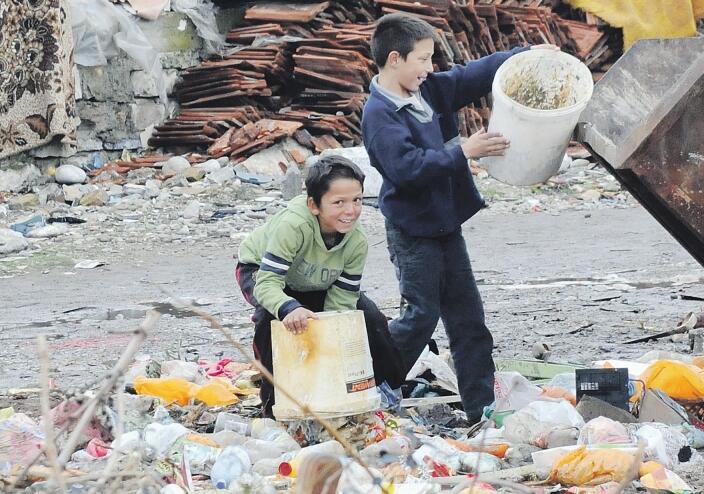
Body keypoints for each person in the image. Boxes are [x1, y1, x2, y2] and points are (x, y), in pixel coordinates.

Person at [361, 12, 557, 422]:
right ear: (394, 59)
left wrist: (526, 55)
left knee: (468, 319)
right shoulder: (380, 115)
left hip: (445, 225)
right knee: (420, 317)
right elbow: (407, 170)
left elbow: (473, 75)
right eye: (422, 59)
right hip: (413, 232)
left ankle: (481, 410)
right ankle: (370, 387)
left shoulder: (427, 90)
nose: (429, 68)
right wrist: (463, 151)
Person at [235, 155, 405, 418]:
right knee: (272, 324)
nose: (350, 211)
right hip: (263, 273)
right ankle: (274, 408)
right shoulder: (294, 225)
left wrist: (333, 350)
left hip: (316, 282)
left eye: (357, 200)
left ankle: (384, 390)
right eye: (339, 202)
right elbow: (267, 285)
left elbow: (343, 301)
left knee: (369, 319)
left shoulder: (356, 240)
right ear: (314, 205)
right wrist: (288, 308)